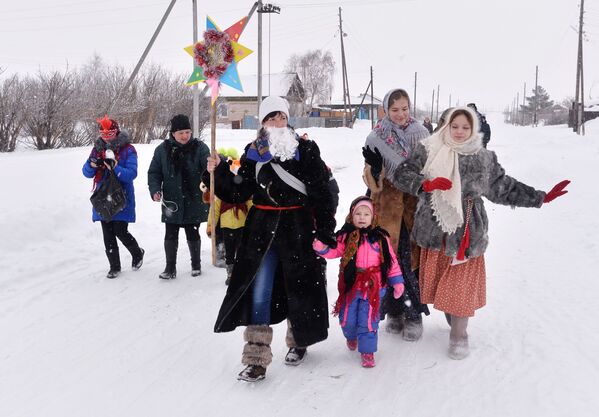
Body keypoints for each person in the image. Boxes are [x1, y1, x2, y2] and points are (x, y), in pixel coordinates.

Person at [387, 106, 569, 359]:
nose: (460, 132)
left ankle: (459, 335)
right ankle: (452, 316)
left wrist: (540, 197)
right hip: (434, 231)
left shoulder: (483, 158)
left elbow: (503, 188)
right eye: (455, 126)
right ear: (446, 126)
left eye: (465, 127)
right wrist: (423, 184)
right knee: (441, 285)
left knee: (460, 288)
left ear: (473, 129)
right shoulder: (428, 149)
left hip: (466, 233)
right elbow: (401, 174)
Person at [207, 96, 336, 382]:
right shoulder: (253, 153)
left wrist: (325, 230)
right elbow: (239, 193)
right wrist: (218, 172)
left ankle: (298, 340)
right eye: (270, 118)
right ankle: (256, 358)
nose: (277, 123)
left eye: (281, 117)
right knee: (260, 291)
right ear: (262, 122)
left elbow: (322, 195)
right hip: (261, 232)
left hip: (298, 229)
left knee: (299, 288)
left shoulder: (305, 149)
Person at [361, 88, 430, 341]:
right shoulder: (376, 136)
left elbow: (429, 170)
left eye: (404, 109)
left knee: (410, 261)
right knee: (388, 260)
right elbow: (370, 180)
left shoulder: (423, 135)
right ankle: (394, 311)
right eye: (394, 110)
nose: (400, 114)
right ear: (386, 111)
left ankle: (413, 313)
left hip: (412, 205)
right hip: (386, 205)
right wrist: (376, 170)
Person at [313, 196, 404, 368]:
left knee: (368, 320)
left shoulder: (380, 238)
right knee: (347, 318)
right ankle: (351, 336)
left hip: (373, 285)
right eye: (358, 214)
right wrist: (322, 248)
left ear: (373, 217)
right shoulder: (346, 237)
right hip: (351, 284)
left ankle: (367, 351)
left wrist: (397, 281)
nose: (362, 217)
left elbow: (391, 262)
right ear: (351, 216)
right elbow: (335, 251)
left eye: (366, 214)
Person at [147, 114, 210, 279]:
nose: (185, 136)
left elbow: (207, 168)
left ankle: (196, 265)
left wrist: (212, 166)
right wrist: (155, 190)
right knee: (170, 233)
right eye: (181, 132)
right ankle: (170, 268)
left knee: (192, 232)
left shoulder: (200, 148)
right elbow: (154, 172)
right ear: (173, 133)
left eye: (188, 132)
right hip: (172, 200)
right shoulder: (162, 150)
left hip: (194, 198)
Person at [82, 115, 144, 279]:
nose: (106, 136)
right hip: (103, 196)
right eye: (103, 133)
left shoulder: (128, 149)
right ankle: (114, 266)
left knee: (120, 231)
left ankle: (137, 253)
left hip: (121, 196)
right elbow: (86, 173)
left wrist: (115, 167)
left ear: (117, 132)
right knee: (107, 232)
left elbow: (131, 174)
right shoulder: (97, 148)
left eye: (110, 133)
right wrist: (92, 164)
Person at [205, 158, 252, 285]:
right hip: (227, 227)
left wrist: (254, 224)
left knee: (242, 251)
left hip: (242, 226)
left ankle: (241, 272)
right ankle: (230, 273)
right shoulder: (221, 195)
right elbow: (214, 211)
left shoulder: (244, 194)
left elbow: (251, 208)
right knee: (230, 251)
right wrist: (211, 226)